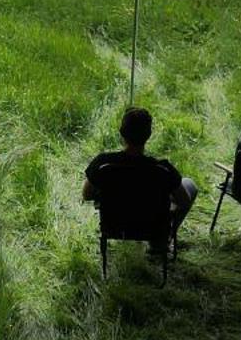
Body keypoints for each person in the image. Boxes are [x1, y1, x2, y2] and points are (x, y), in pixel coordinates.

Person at [83, 107, 198, 255]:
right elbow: (183, 201)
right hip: (152, 225)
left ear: (122, 133)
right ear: (148, 135)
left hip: (114, 225)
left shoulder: (103, 163)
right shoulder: (163, 169)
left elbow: (86, 194)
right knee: (190, 184)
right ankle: (159, 243)